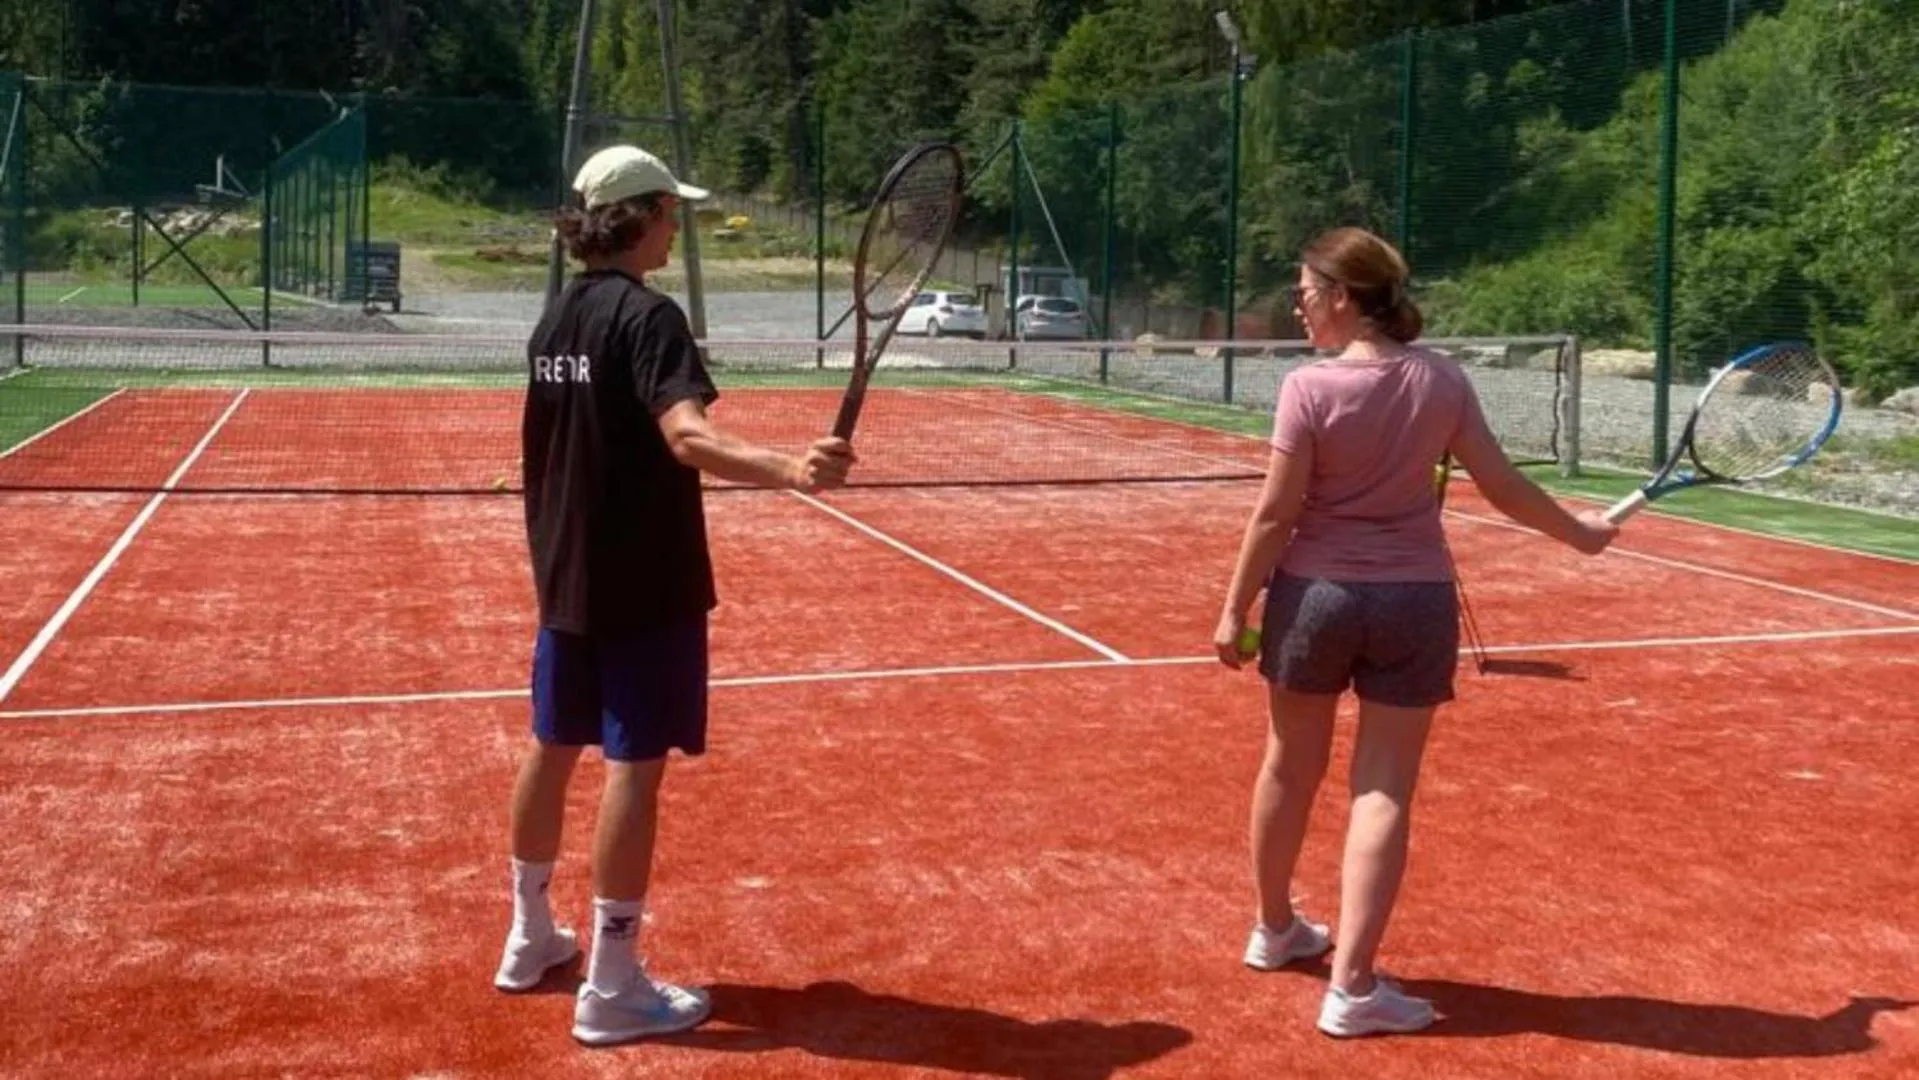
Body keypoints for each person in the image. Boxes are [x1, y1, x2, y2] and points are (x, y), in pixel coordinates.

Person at [1213, 226, 1615, 1037]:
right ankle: (1352, 987)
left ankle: (1274, 929)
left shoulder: (1308, 389)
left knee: (1289, 767)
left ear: (1342, 295)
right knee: (1381, 786)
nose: (1296, 303)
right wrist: (1578, 533)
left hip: (1313, 597)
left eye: (1303, 290)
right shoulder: (1442, 381)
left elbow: (1274, 515)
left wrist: (1232, 607)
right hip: (1412, 601)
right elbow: (1500, 485)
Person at [494, 144, 855, 1047]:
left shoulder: (555, 324)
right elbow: (686, 437)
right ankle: (612, 983)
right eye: (670, 213)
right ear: (641, 216)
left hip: (566, 578)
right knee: (632, 766)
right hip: (642, 586)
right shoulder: (651, 320)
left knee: (553, 744)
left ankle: (530, 935)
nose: (674, 228)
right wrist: (789, 468)